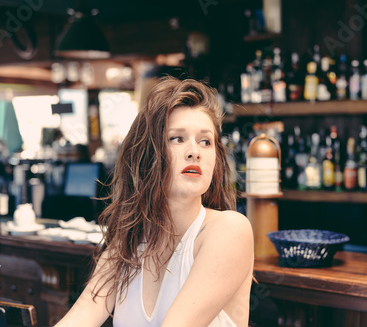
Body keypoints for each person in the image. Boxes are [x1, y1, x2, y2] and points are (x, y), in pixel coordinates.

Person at [55, 77, 254, 327]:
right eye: (177, 139)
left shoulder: (229, 230)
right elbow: (81, 317)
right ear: (149, 154)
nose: (195, 151)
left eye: (205, 141)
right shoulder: (127, 243)